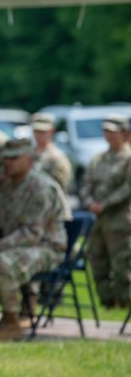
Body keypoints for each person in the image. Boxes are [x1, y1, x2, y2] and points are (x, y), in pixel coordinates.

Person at [0, 138, 68, 342]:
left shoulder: (41, 188)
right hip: (10, 245)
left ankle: (11, 322)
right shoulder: (5, 186)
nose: (8, 162)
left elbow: (31, 234)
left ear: (29, 159)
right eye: (5, 158)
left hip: (46, 248)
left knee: (3, 264)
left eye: (14, 158)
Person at [79, 113, 131, 309]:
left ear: (124, 133)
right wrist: (89, 201)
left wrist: (105, 203)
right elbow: (86, 183)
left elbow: (127, 187)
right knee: (97, 259)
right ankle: (107, 302)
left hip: (119, 220)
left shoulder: (127, 158)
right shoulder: (98, 158)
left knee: (121, 265)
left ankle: (125, 303)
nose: (108, 136)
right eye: (106, 131)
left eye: (113, 132)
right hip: (98, 220)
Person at [30, 112, 72, 192]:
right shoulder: (28, 154)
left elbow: (61, 188)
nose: (39, 134)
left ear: (52, 131)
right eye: (36, 131)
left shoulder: (57, 158)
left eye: (43, 131)